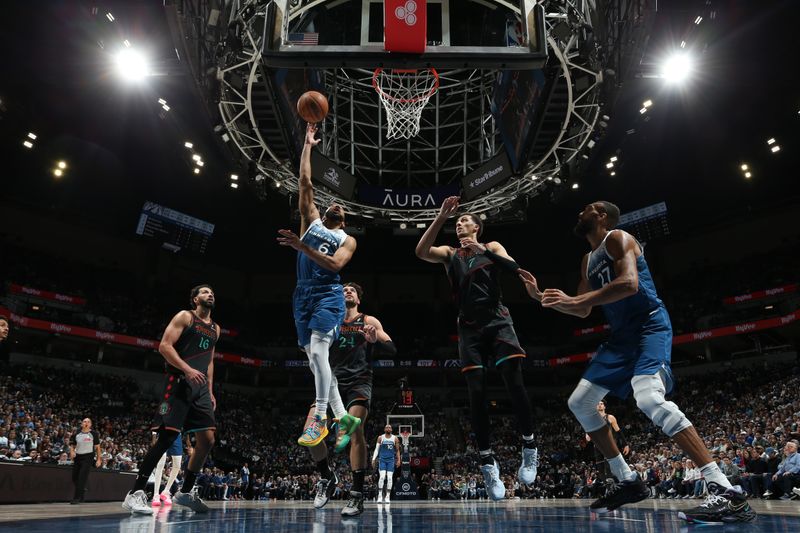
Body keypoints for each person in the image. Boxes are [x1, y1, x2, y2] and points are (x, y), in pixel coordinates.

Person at [520, 201, 754, 522]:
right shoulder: (587, 260)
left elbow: (629, 284)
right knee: (580, 403)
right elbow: (581, 310)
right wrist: (540, 297)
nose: (579, 212)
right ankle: (628, 480)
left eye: (586, 208)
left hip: (648, 325)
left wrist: (577, 299)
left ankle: (727, 492)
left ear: (601, 216)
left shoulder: (618, 237)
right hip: (620, 339)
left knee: (648, 397)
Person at [415, 196, 539, 501]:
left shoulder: (493, 246)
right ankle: (487, 462)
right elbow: (420, 251)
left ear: (477, 227)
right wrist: (442, 216)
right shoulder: (450, 254)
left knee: (514, 382)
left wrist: (484, 250)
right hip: (468, 327)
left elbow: (513, 267)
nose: (459, 224)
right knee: (476, 393)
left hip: (498, 319)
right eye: (457, 222)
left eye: (464, 220)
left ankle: (529, 446)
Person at [278, 123, 361, 449]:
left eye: (343, 208)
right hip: (302, 294)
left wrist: (302, 248)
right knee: (314, 359)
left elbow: (337, 265)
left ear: (344, 219)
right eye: (334, 204)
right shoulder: (310, 220)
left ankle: (321, 418)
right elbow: (305, 183)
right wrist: (308, 145)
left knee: (319, 350)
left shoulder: (347, 239)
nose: (337, 206)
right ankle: (344, 417)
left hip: (328, 293)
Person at [122, 284, 221, 515]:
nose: (210, 295)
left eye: (212, 293)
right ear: (195, 299)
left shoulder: (216, 328)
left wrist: (210, 389)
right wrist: (186, 369)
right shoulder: (185, 317)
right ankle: (134, 494)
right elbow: (164, 346)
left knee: (207, 440)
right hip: (179, 382)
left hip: (201, 389)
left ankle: (185, 492)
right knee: (166, 438)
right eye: (205, 292)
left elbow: (210, 360)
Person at [304, 282, 395, 516]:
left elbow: (392, 348)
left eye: (352, 290)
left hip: (359, 381)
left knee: (355, 431)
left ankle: (356, 496)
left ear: (358, 299)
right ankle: (326, 476)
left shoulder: (368, 321)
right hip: (330, 382)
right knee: (310, 433)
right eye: (343, 289)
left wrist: (375, 341)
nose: (347, 291)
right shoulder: (329, 320)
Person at [585, 400, 629, 481]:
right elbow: (588, 437)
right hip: (598, 446)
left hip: (608, 444)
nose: (600, 405)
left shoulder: (610, 417)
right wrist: (587, 434)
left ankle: (615, 485)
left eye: (601, 404)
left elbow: (618, 431)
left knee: (608, 468)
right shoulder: (592, 420)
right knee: (601, 469)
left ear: (604, 406)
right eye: (598, 404)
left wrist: (625, 444)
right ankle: (609, 488)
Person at [69, 418, 101, 504]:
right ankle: (82, 491)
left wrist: (98, 459)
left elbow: (98, 448)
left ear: (90, 424)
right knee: (74, 477)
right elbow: (72, 444)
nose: (86, 423)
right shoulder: (76, 433)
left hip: (88, 457)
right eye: (84, 421)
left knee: (81, 478)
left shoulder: (94, 434)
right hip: (78, 457)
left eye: (88, 422)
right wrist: (72, 451)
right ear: (82, 423)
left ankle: (76, 498)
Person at [149, 431, 184, 506]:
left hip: (177, 435)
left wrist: (187, 440)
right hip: (164, 433)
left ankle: (166, 491)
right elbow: (158, 419)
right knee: (160, 464)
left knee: (177, 466)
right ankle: (156, 495)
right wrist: (154, 437)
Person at [372, 424, 401, 503]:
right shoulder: (380, 438)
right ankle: (380, 495)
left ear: (391, 430)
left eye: (389, 427)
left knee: (389, 478)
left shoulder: (395, 438)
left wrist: (399, 460)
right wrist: (373, 459)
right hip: (382, 460)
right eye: (387, 427)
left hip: (391, 460)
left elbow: (397, 450)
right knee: (381, 477)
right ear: (384, 429)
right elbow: (377, 449)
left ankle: (388, 496)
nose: (388, 428)